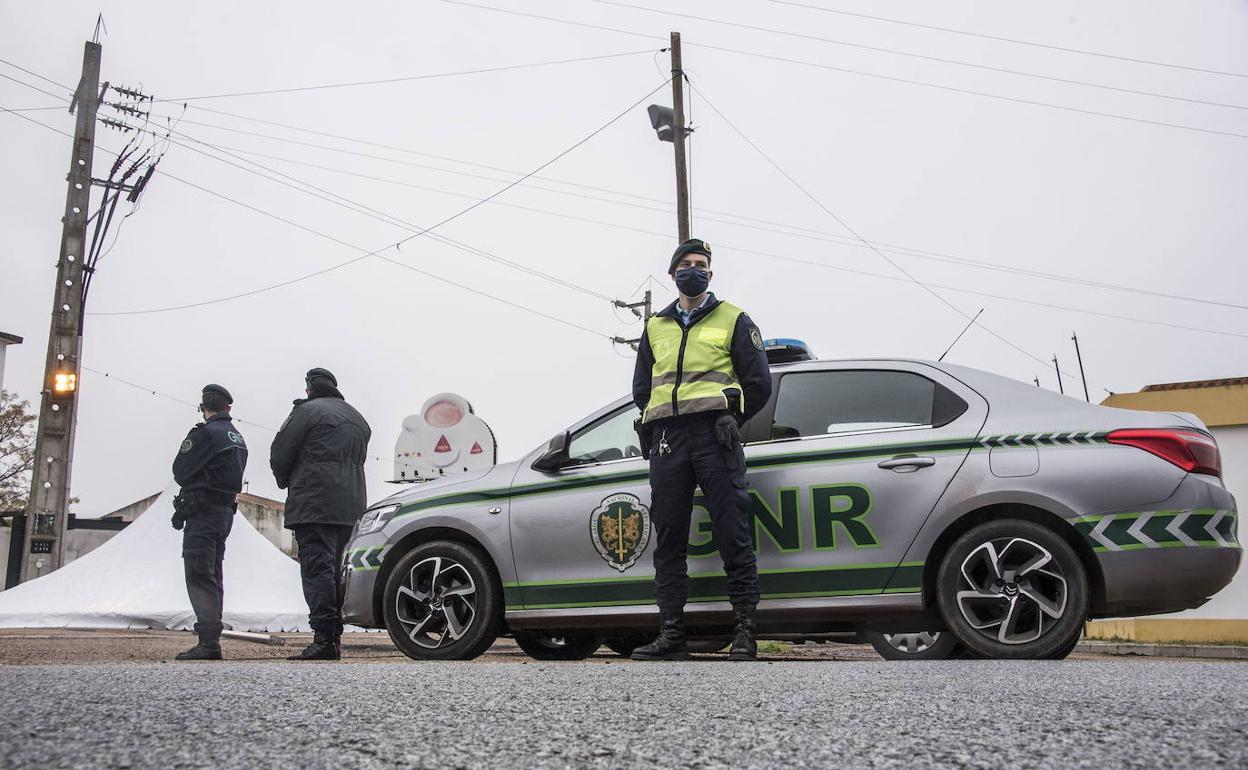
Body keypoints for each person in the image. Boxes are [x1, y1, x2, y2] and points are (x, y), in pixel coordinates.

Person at [630, 238, 773, 661]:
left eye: (703, 265)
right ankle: (671, 634)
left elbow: (759, 383)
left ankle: (746, 633)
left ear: (710, 274)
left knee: (732, 533)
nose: (695, 270)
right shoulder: (655, 326)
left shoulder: (734, 318)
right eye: (687, 264)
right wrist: (657, 423)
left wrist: (734, 414)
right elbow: (642, 388)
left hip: (716, 436)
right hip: (668, 440)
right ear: (673, 273)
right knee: (669, 538)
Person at [271, 368, 372, 661]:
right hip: (351, 505)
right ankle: (334, 637)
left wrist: (285, 481)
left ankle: (323, 638)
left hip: (314, 502)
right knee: (339, 571)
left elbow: (280, 453)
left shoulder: (305, 412)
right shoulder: (358, 418)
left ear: (309, 387)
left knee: (317, 568)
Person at [171, 384, 248, 661]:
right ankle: (210, 636)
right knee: (213, 573)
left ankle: (208, 641)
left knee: (199, 573)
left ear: (204, 407)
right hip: (224, 512)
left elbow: (180, 471)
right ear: (228, 407)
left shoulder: (205, 434)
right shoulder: (237, 436)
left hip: (203, 512)